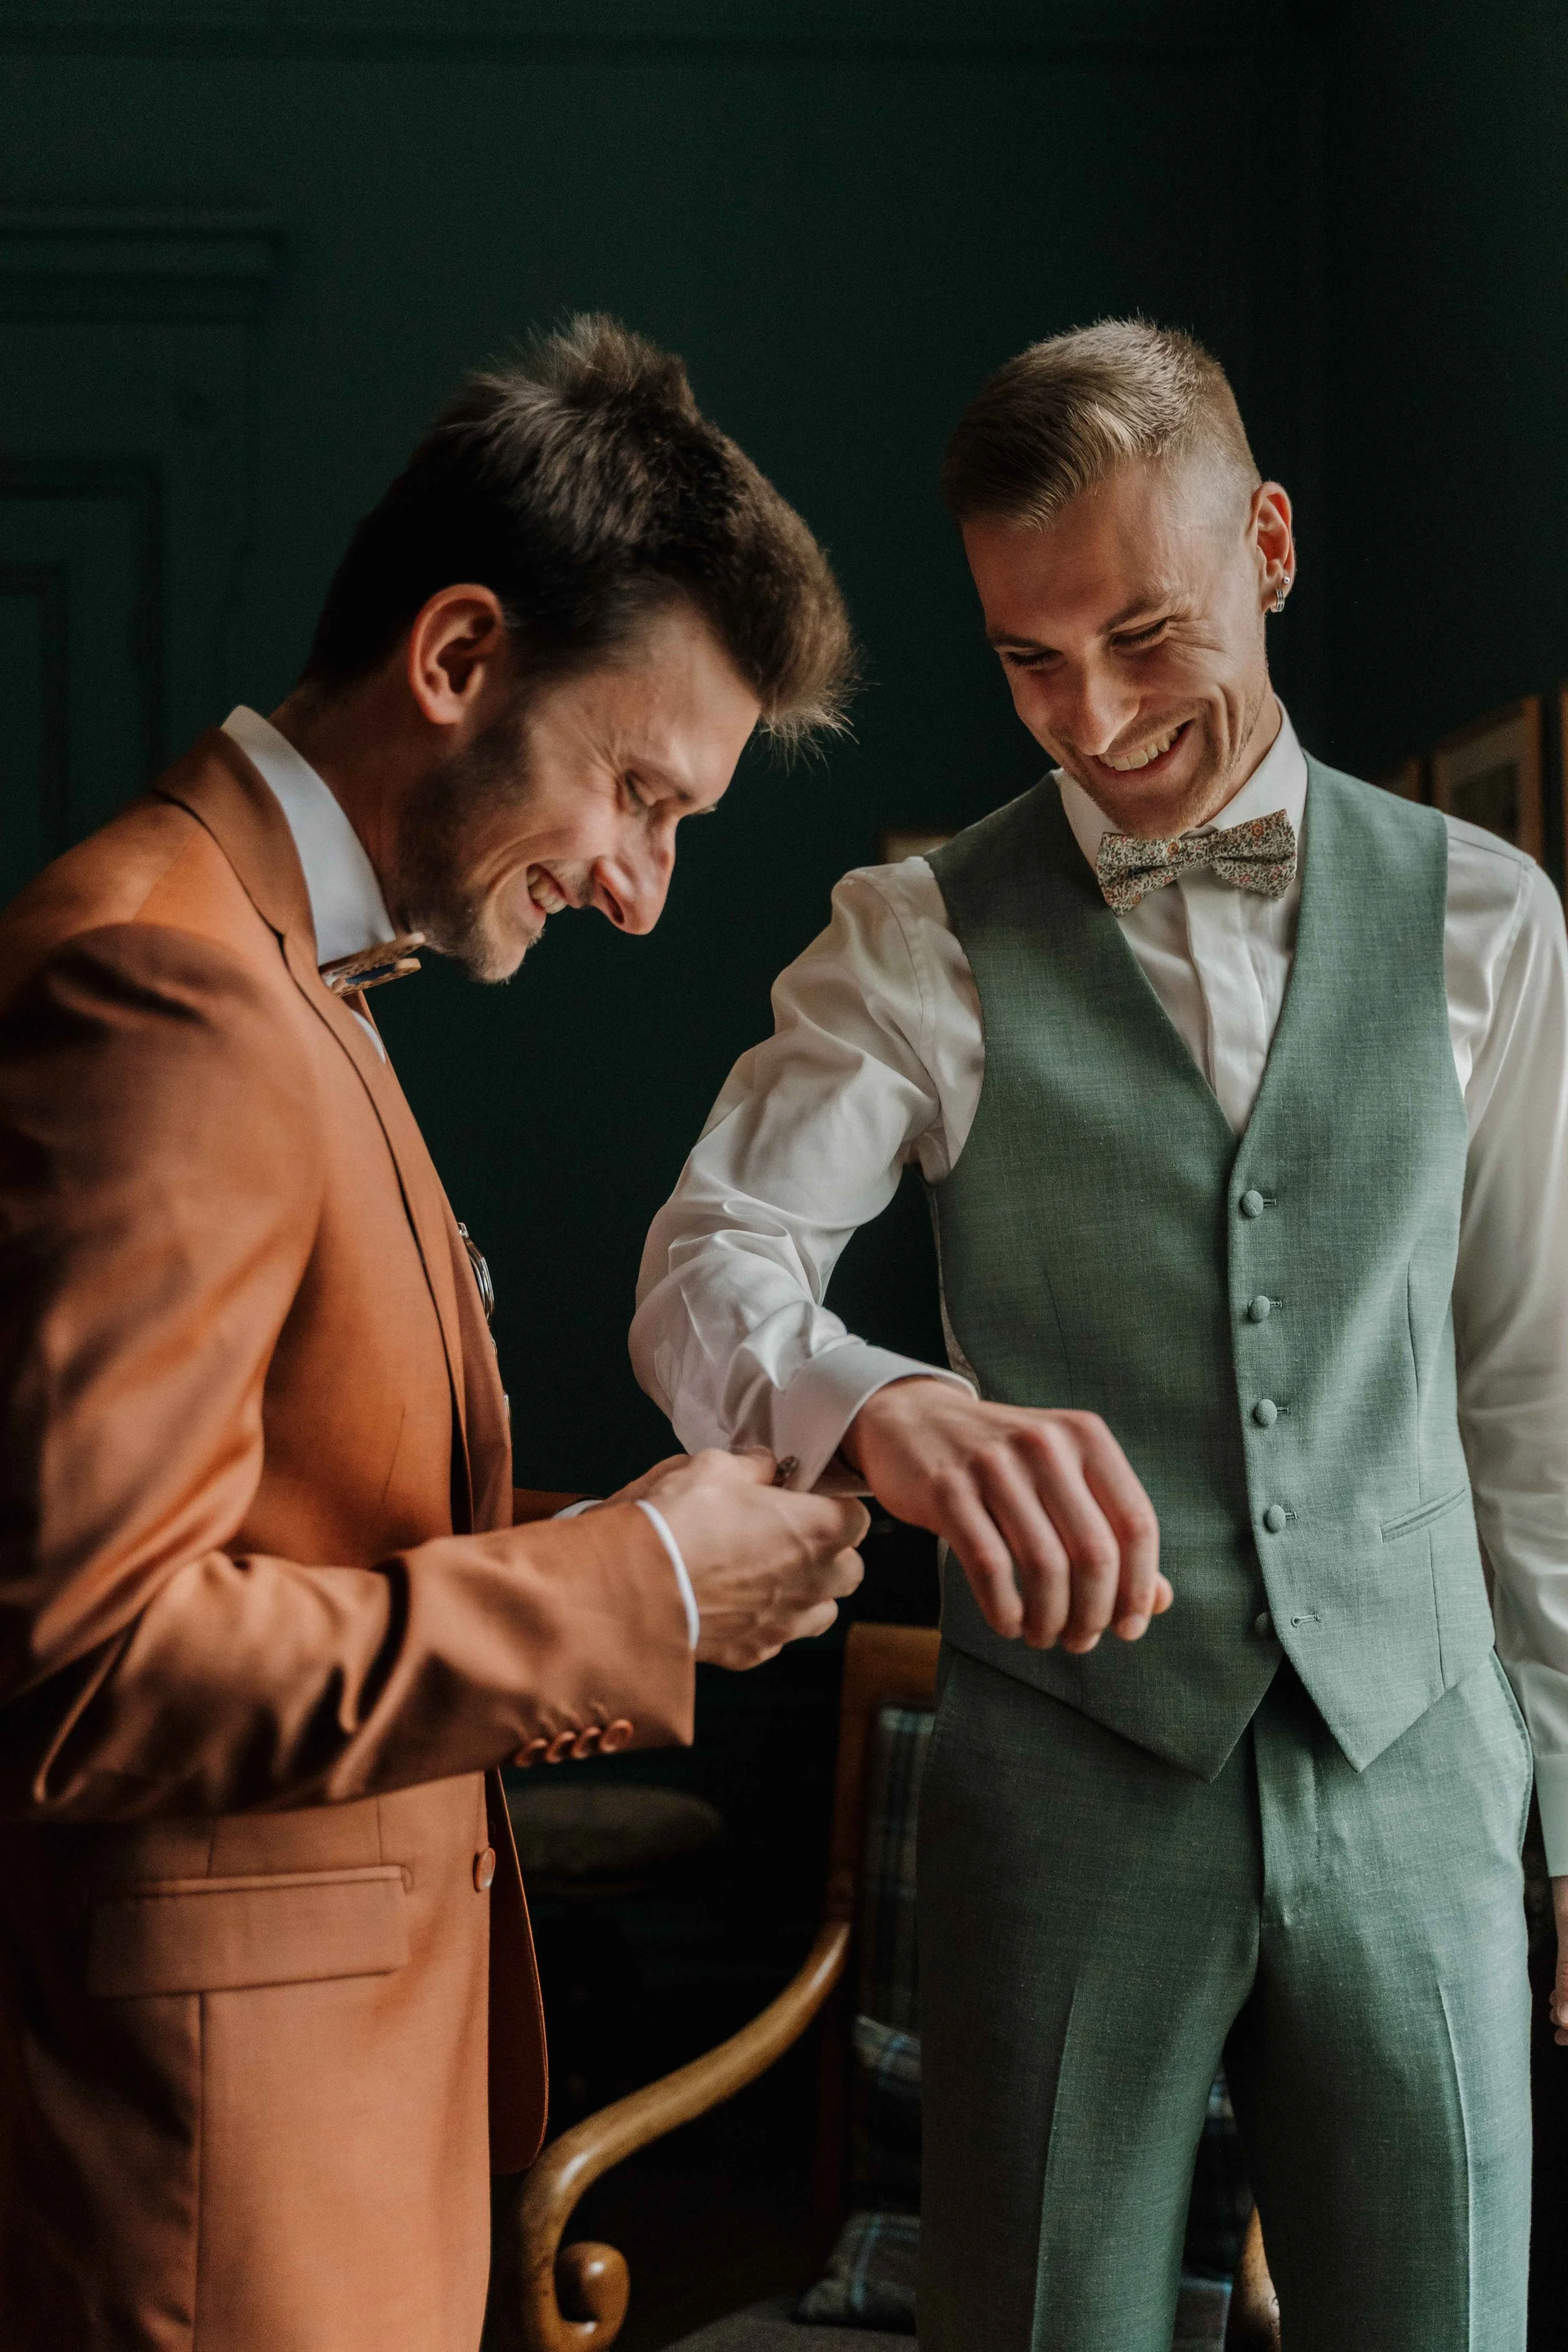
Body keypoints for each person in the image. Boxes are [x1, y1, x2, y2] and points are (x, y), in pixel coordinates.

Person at [633, 319, 1568, 2351]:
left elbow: (1529, 1389)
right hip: (1065, 1789)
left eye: (1145, 631)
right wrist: (879, 1409)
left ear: (1271, 543)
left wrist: (1561, 1790)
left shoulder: (1495, 921)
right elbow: (707, 1266)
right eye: (1027, 661)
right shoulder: (917, 936)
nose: (1094, 716)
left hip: (1421, 1765)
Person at [0, 316, 868, 2352]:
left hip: (328, 2154)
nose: (644, 890)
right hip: (213, 2205)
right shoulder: (164, 980)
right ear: (458, 657)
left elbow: (299, 1529)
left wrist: (660, 1550)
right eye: (637, 791)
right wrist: (635, 1582)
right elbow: (93, 1664)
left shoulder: (297, 968)